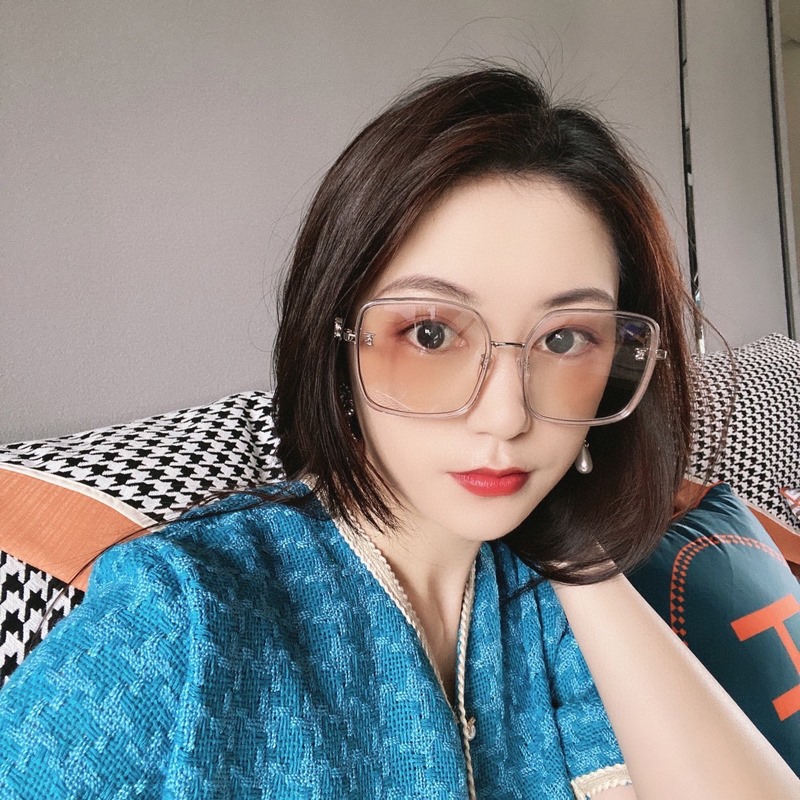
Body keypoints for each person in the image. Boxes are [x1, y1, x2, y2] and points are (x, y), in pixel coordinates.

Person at [0, 67, 796, 799]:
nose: (507, 415)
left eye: (564, 339)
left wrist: (584, 563)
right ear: (337, 342)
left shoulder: (557, 598)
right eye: (431, 334)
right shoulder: (182, 615)